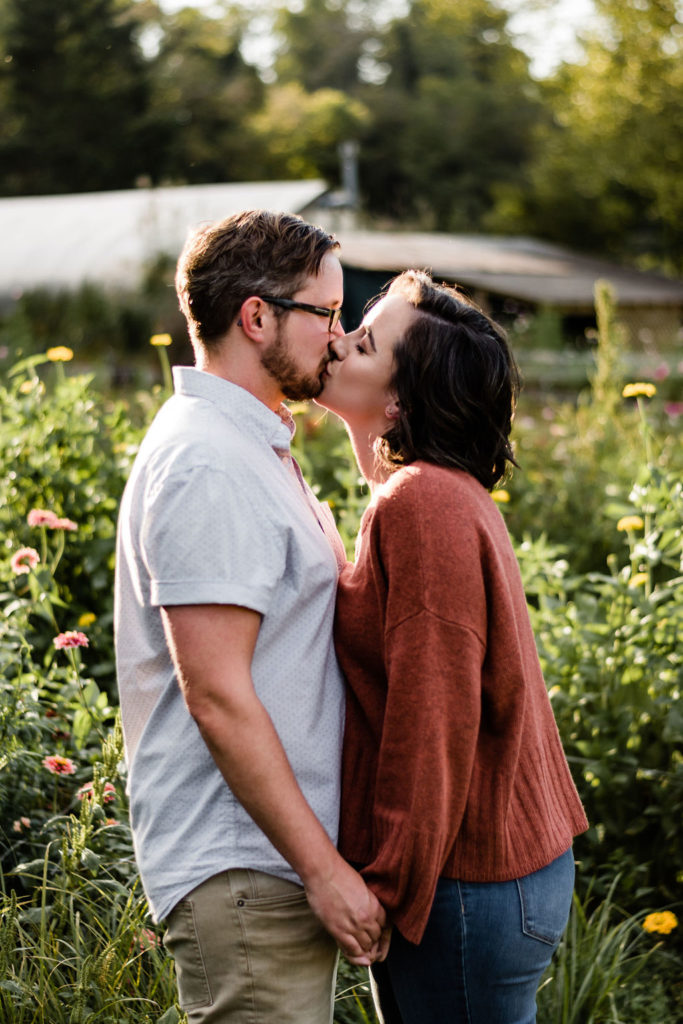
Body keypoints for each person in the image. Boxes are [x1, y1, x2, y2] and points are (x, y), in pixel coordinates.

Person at [114, 209, 387, 1024]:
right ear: (257, 315)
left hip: (270, 863)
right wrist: (323, 871)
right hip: (247, 867)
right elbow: (219, 695)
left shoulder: (246, 444)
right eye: (327, 314)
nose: (338, 339)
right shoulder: (207, 461)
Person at [317, 269, 589, 1024]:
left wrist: (384, 889)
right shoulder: (431, 494)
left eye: (362, 341)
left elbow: (430, 717)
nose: (335, 341)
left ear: (398, 401)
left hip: (465, 883)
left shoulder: (423, 504)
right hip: (481, 876)